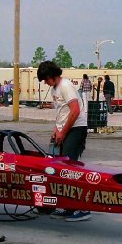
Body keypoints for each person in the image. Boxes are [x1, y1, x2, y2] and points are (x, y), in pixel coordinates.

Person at [37, 61, 90, 222]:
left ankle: (80, 208)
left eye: (46, 79)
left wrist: (63, 131)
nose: (45, 83)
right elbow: (62, 112)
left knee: (69, 168)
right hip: (65, 130)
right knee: (60, 169)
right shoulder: (55, 88)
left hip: (76, 129)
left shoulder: (66, 85)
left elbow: (75, 110)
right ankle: (68, 206)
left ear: (52, 75)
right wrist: (56, 128)